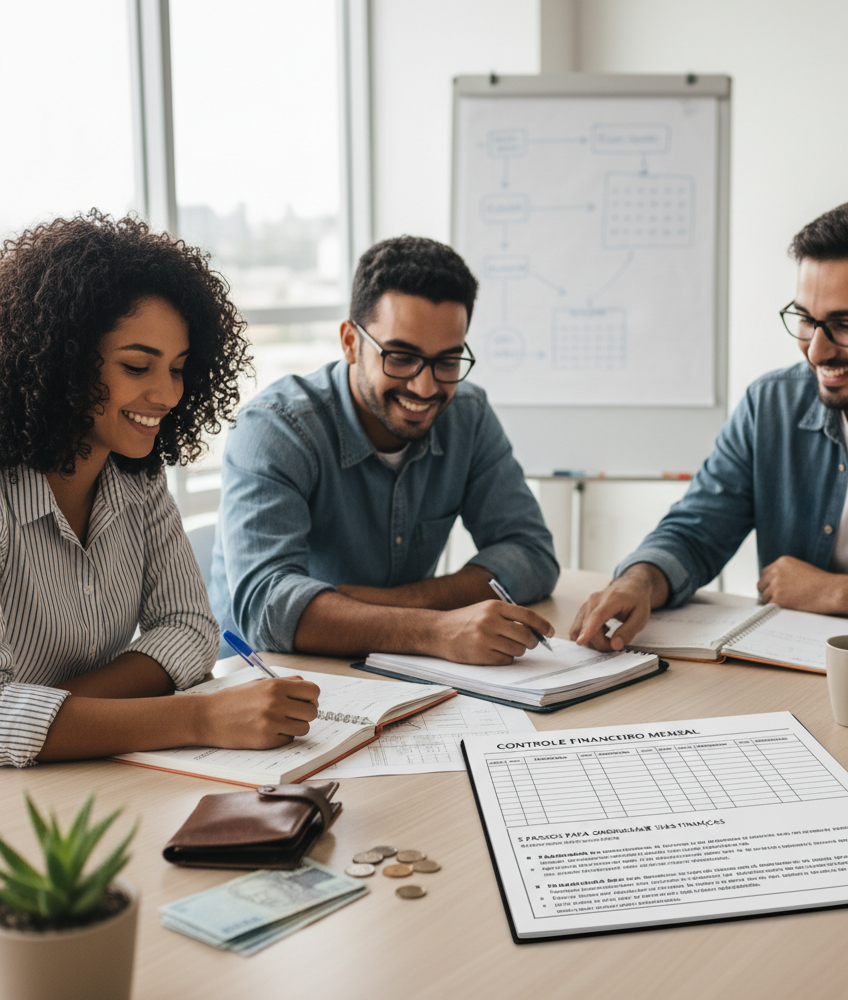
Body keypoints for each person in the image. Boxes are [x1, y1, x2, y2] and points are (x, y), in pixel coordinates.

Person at [572, 198, 848, 649]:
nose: (816, 351)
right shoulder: (769, 405)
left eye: (847, 324)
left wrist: (832, 590)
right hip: (793, 671)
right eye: (806, 320)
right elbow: (695, 531)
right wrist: (640, 581)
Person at [0, 212, 320, 768]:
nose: (167, 394)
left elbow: (191, 629)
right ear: (61, 362)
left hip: (89, 774)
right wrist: (201, 718)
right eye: (137, 365)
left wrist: (52, 717)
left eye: (177, 369)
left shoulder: (137, 476)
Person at [210, 235, 558, 666]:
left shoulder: (467, 415)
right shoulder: (277, 428)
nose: (426, 387)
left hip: (402, 671)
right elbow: (267, 605)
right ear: (350, 342)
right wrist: (436, 629)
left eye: (447, 361)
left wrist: (396, 602)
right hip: (268, 679)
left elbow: (532, 553)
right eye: (401, 357)